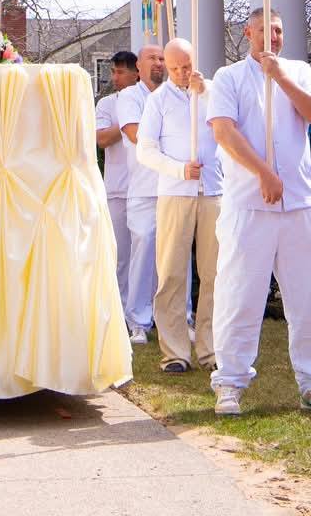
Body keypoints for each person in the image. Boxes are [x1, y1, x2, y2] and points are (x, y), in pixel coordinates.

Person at [205, 8, 311, 418]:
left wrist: (281, 77)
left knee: (310, 299)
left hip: (301, 203)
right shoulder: (228, 78)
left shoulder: (300, 71)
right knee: (240, 297)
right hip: (249, 205)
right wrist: (263, 172)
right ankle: (230, 382)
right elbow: (224, 132)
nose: (273, 37)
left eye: (280, 30)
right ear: (248, 32)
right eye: (265, 30)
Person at [135, 35, 221, 373]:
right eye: (175, 68)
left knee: (214, 272)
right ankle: (174, 351)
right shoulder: (157, 101)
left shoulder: (212, 90)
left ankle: (210, 347)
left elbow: (233, 128)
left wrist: (206, 92)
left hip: (214, 189)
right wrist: (178, 169)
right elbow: (145, 150)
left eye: (186, 66)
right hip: (174, 191)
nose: (183, 73)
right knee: (171, 272)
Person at [113, 41, 165, 345]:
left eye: (162, 58)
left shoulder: (179, 94)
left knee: (174, 257)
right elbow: (134, 134)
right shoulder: (129, 96)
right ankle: (138, 321)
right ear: (139, 68)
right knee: (143, 252)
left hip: (174, 188)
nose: (158, 63)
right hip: (144, 189)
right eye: (151, 58)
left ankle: (177, 317)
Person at [94, 50, 138, 319]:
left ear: (137, 73)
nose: (115, 77)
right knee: (120, 254)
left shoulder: (151, 100)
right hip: (117, 188)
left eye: (121, 72)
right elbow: (101, 139)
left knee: (152, 256)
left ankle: (152, 311)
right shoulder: (107, 104)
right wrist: (128, 123)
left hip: (148, 188)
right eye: (113, 71)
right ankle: (121, 311)